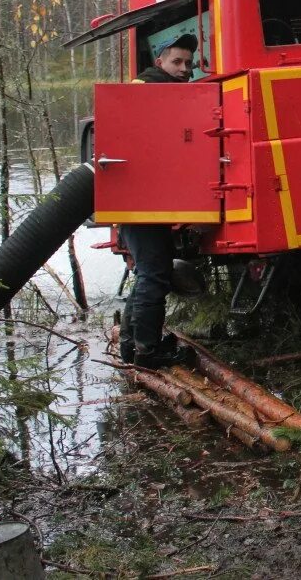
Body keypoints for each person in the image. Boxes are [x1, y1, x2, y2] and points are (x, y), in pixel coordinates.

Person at [118, 33, 199, 367]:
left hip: (142, 203)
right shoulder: (148, 87)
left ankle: (130, 344)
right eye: (176, 62)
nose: (184, 69)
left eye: (188, 64)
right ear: (159, 63)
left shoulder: (167, 93)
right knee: (154, 275)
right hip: (141, 204)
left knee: (150, 273)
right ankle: (148, 352)